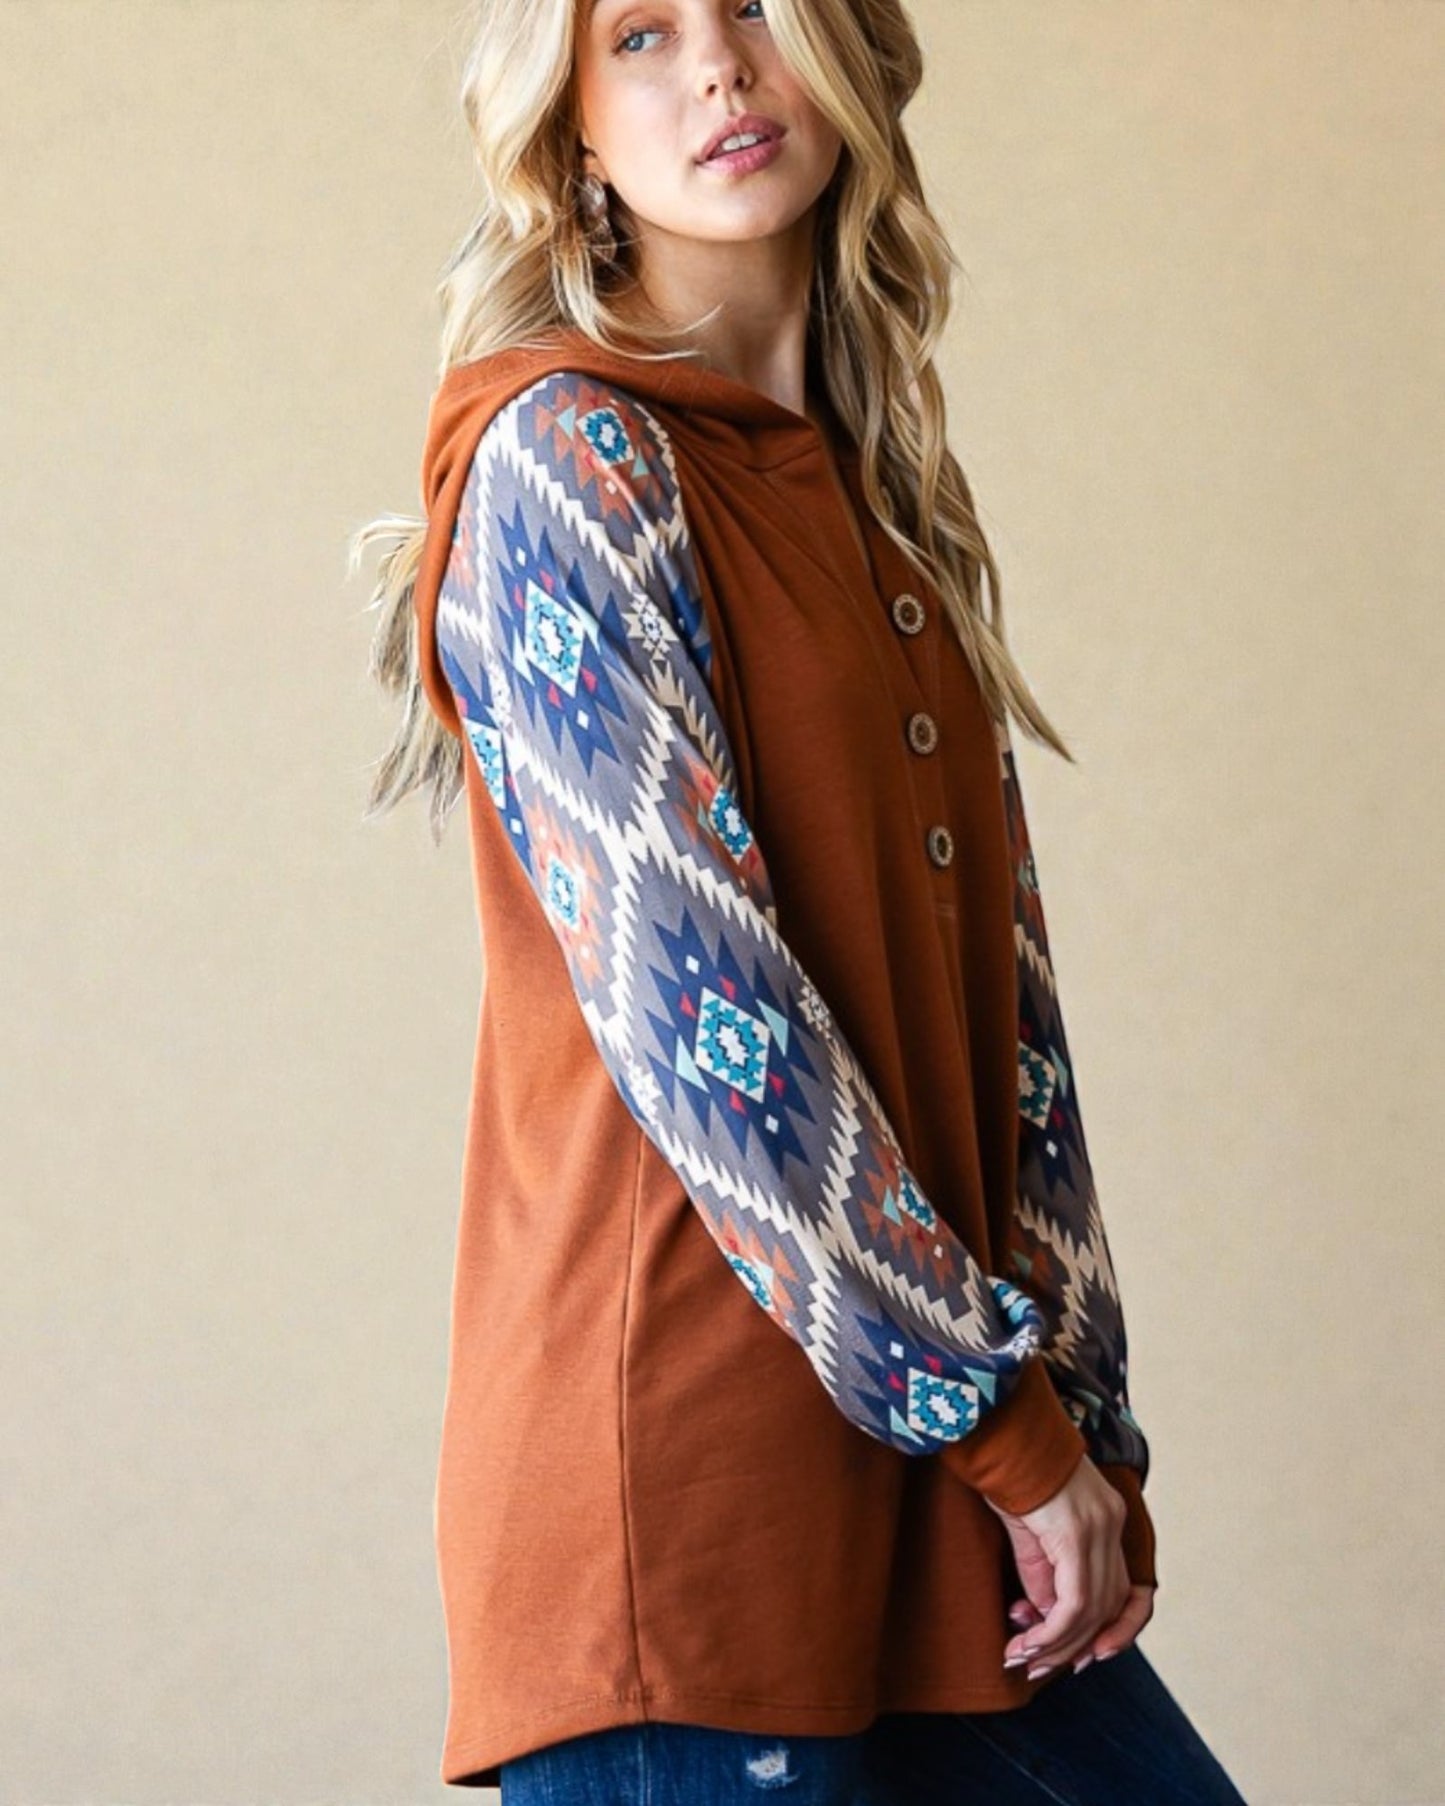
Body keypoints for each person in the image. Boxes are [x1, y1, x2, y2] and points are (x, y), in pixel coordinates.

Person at [354, 1, 1248, 1800]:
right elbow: (712, 1037)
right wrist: (1008, 1429)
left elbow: (1018, 1041)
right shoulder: (565, 463)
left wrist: (1086, 1424)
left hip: (945, 1479)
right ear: (568, 133)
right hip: (688, 1525)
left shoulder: (880, 507)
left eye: (759, 7)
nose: (716, 68)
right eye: (639, 36)